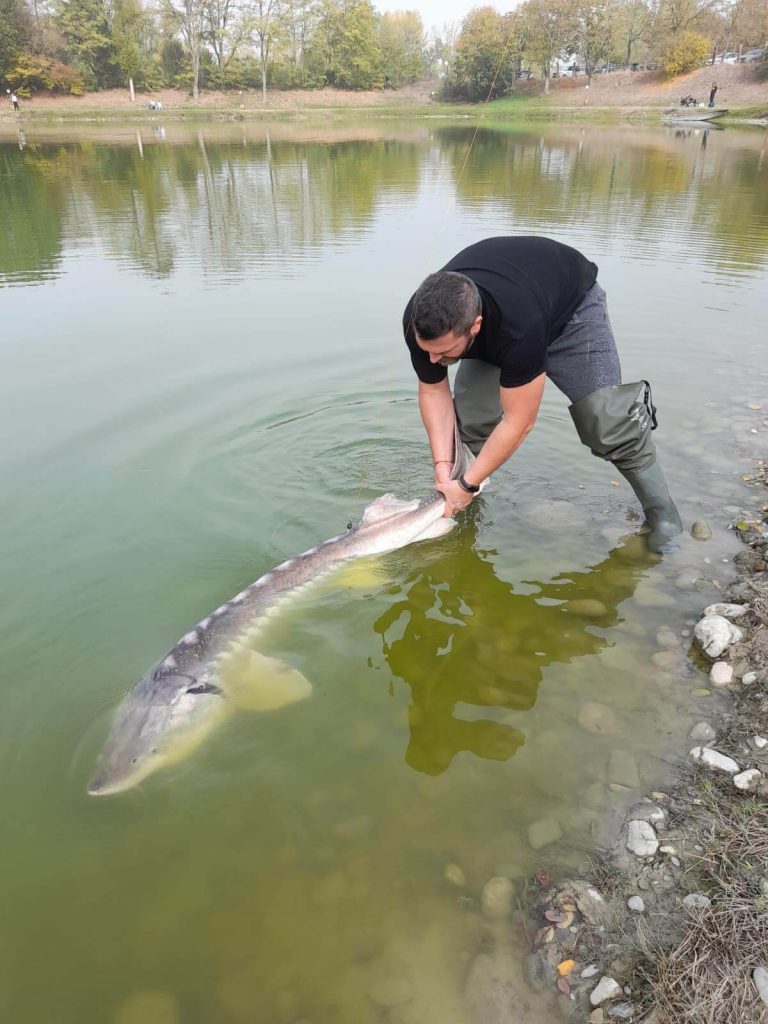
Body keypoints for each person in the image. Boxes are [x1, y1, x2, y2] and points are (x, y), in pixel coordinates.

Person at [402, 236, 683, 551]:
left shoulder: (518, 327)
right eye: (427, 350)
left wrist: (467, 484)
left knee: (608, 424)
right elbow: (433, 391)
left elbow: (519, 422)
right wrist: (443, 467)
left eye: (442, 352)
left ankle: (664, 518)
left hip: (571, 314)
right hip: (514, 308)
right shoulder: (421, 322)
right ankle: (462, 511)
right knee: (470, 424)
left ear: (475, 326)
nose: (433, 360)